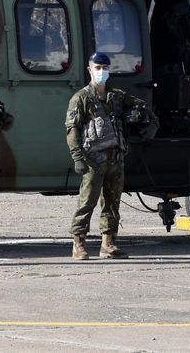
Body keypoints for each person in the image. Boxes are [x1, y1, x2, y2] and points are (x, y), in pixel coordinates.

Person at [66, 51, 159, 260]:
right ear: (89, 69)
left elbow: (142, 107)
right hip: (93, 159)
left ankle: (108, 243)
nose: (101, 72)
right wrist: (78, 158)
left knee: (112, 201)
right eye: (97, 68)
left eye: (105, 68)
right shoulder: (81, 98)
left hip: (115, 157)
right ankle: (78, 243)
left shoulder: (117, 96)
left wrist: (150, 126)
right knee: (87, 201)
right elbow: (72, 130)